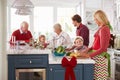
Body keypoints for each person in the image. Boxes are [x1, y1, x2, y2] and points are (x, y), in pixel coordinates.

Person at [81, 10, 112, 80]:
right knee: (96, 78)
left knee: (100, 78)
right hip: (96, 56)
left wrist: (89, 55)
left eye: (96, 19)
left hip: (100, 58)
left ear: (100, 19)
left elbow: (102, 48)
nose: (95, 21)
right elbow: (96, 43)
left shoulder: (104, 29)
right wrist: (88, 49)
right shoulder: (101, 28)